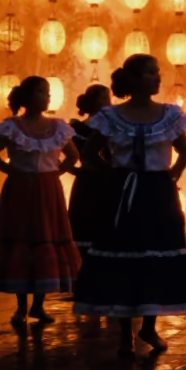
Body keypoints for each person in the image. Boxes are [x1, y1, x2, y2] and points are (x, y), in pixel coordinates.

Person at [72, 54, 186, 354]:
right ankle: (123, 332)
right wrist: (113, 174)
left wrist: (173, 174)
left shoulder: (170, 115)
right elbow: (90, 153)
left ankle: (148, 327)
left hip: (157, 191)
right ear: (133, 80)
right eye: (149, 73)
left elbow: (185, 151)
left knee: (154, 256)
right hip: (122, 191)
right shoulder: (110, 117)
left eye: (157, 72)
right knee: (123, 255)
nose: (156, 78)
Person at [0, 76, 81, 325]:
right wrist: (12, 171)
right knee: (22, 240)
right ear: (28, 96)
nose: (47, 96)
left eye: (47, 92)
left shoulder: (58, 127)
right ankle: (21, 307)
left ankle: (38, 306)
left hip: (48, 189)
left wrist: (55, 173)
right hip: (20, 190)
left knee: (45, 240)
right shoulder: (12, 126)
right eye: (42, 91)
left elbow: (73, 155)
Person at [67, 85, 111, 251]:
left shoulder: (112, 125)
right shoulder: (78, 128)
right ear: (96, 101)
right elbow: (59, 155)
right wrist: (76, 170)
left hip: (101, 181)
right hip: (92, 182)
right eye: (105, 97)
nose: (109, 102)